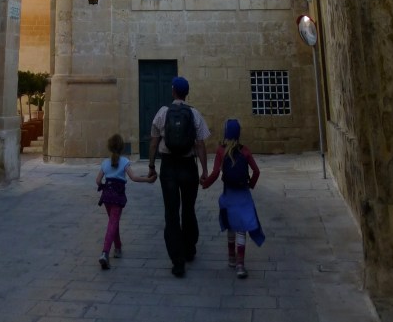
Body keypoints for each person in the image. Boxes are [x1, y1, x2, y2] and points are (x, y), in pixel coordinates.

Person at [148, 76, 210, 277]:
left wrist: (151, 166)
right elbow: (200, 144)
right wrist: (204, 170)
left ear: (173, 91)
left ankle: (177, 261)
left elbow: (154, 142)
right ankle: (189, 249)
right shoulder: (194, 114)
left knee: (171, 214)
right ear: (187, 93)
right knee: (189, 209)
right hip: (188, 167)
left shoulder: (162, 113)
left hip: (169, 167)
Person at [201, 118, 265, 278]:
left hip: (228, 194)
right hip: (243, 194)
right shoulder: (245, 151)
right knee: (241, 229)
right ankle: (240, 265)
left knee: (230, 226)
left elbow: (215, 173)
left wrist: (205, 184)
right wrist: (251, 184)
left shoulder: (221, 151)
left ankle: (231, 258)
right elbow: (256, 171)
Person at [95, 133, 155, 269]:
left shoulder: (105, 163)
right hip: (118, 197)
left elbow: (98, 180)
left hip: (106, 197)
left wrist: (102, 186)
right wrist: (148, 179)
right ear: (122, 148)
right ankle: (105, 252)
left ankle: (118, 247)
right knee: (113, 222)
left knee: (113, 221)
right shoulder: (124, 162)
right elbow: (133, 177)